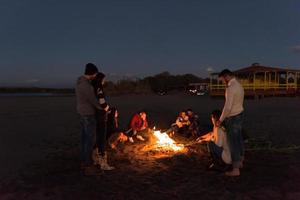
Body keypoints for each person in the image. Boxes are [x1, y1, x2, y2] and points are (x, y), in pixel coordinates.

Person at [75, 63, 102, 176]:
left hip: (81, 112)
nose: (95, 76)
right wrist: (102, 108)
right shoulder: (86, 86)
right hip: (88, 114)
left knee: (84, 138)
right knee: (89, 140)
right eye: (95, 73)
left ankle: (83, 161)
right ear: (92, 73)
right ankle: (88, 165)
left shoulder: (79, 82)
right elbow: (93, 100)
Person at [216, 69, 245, 176]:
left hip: (232, 117)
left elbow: (228, 107)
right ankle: (241, 161)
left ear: (226, 76)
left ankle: (236, 169)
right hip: (240, 115)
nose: (223, 82)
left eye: (222, 79)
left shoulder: (230, 88)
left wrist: (220, 120)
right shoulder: (239, 86)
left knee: (233, 143)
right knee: (239, 140)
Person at [91, 72, 114, 170]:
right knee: (102, 138)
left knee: (98, 137)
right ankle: (103, 163)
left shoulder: (92, 88)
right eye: (104, 79)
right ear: (100, 79)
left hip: (95, 115)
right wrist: (108, 109)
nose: (105, 80)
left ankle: (95, 159)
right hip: (101, 116)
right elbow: (102, 102)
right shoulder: (99, 89)